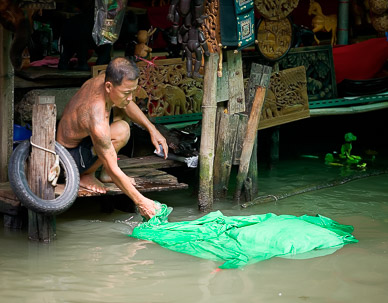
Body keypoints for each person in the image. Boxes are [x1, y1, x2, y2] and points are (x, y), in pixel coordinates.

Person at [57, 57, 168, 219]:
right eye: (126, 93)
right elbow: (112, 165)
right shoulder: (96, 116)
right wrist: (142, 202)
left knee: (122, 128)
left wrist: (152, 129)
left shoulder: (106, 78)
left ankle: (103, 175)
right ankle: (84, 175)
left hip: (85, 140)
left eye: (132, 91)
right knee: (112, 157)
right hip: (69, 158)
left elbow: (127, 103)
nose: (130, 97)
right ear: (109, 86)